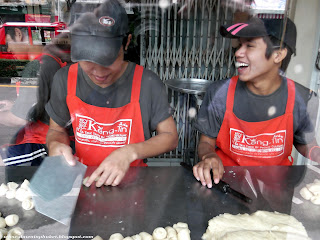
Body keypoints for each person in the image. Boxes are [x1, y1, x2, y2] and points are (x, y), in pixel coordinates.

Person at [45, 0, 178, 187]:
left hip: (134, 188)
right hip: (83, 183)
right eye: (88, 58)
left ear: (126, 43)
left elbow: (170, 137)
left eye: (108, 58)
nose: (99, 71)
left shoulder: (147, 83)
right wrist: (55, 144)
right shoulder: (65, 79)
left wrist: (129, 152)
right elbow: (56, 130)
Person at [193, 17, 320, 188]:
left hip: (276, 189)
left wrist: (316, 154)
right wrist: (209, 157)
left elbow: (304, 141)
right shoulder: (220, 93)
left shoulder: (303, 98)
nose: (238, 53)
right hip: (226, 186)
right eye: (239, 45)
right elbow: (206, 142)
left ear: (278, 54)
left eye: (250, 46)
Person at [0, 33, 71, 166]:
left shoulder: (36, 66)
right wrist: (15, 106)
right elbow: (41, 103)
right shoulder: (54, 60)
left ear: (18, 34)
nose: (9, 50)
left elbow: (20, 119)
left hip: (41, 144)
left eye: (8, 43)